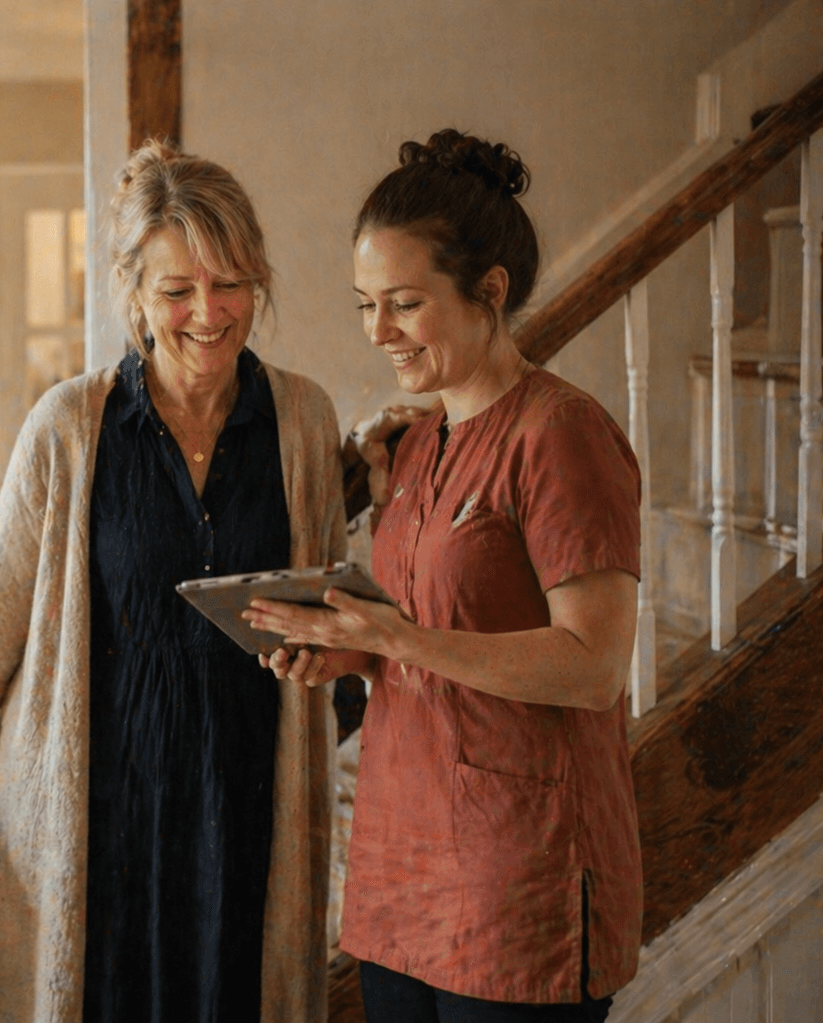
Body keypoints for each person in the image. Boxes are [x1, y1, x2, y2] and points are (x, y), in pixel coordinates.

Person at [0, 140, 347, 1023]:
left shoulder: (305, 419)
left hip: (247, 815)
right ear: (133, 296)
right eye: (176, 290)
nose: (209, 311)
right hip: (99, 823)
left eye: (231, 281)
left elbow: (324, 592)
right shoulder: (68, 427)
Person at [245, 130, 642, 1023]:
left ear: (489, 292)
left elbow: (592, 666)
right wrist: (346, 653)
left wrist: (392, 636)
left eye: (404, 303)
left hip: (517, 883)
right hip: (399, 866)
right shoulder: (414, 441)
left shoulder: (562, 434)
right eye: (364, 305)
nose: (377, 331)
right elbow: (429, 635)